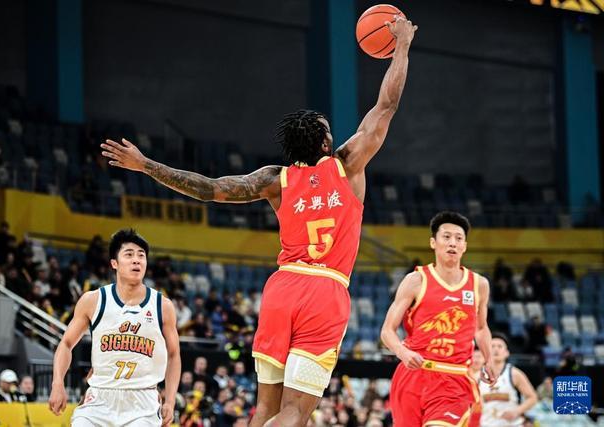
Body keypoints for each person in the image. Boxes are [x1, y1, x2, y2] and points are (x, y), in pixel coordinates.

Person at [101, 17, 416, 426]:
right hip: (325, 290)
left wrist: (146, 165)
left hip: (282, 288)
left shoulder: (274, 179)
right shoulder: (347, 163)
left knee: (264, 409)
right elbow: (386, 106)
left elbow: (209, 188)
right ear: (325, 142)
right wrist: (402, 44)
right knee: (295, 411)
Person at [48, 229, 181, 426]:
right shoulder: (93, 300)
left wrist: (170, 400)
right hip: (99, 398)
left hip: (142, 400)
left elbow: (174, 355)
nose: (136, 260)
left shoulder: (163, 306)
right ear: (114, 263)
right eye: (129, 254)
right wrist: (58, 383)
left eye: (141, 256)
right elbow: (66, 344)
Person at [381, 211, 496, 426]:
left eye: (459, 238)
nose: (453, 243)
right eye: (447, 237)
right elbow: (387, 331)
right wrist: (402, 352)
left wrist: (489, 359)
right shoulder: (415, 280)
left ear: (464, 246)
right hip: (414, 375)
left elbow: (481, 329)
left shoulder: (479, 284)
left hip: (453, 378)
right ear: (433, 242)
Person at [480, 334, 538, 426]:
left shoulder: (514, 373)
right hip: (487, 424)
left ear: (507, 353)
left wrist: (517, 411)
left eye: (500, 346)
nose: (496, 349)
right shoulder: (479, 375)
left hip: (512, 424)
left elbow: (532, 398)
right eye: (492, 346)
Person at [468, 348, 484, 427]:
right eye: (474, 357)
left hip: (483, 414)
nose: (476, 360)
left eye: (479, 357)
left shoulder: (489, 377)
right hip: (466, 412)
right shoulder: (463, 374)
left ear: (484, 359)